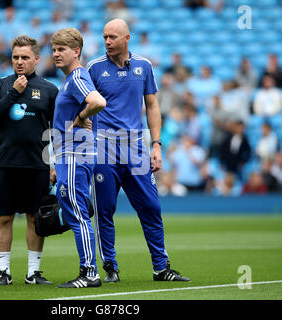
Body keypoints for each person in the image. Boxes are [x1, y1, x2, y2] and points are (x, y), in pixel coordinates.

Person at [86, 19, 190, 282]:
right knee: (105, 210)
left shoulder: (144, 66)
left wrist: (156, 145)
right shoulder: (94, 68)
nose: (107, 42)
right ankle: (110, 267)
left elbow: (152, 106)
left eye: (112, 37)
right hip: (103, 149)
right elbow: (81, 108)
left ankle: (161, 267)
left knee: (151, 206)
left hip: (136, 148)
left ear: (127, 38)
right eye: (104, 37)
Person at [0, 35, 58, 286]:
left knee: (35, 218)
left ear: (36, 58)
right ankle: (4, 272)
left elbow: (55, 130)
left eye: (25, 57)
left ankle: (33, 273)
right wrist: (14, 94)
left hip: (37, 165)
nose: (19, 61)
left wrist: (53, 163)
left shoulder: (49, 89)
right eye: (15, 57)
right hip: (5, 163)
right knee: (3, 217)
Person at [51, 28, 106, 288]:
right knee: (76, 212)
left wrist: (81, 118)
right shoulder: (68, 80)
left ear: (77, 52)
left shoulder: (77, 76)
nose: (56, 54)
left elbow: (98, 101)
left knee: (78, 214)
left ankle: (90, 272)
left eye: (61, 49)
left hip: (75, 153)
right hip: (68, 154)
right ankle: (89, 269)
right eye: (53, 49)